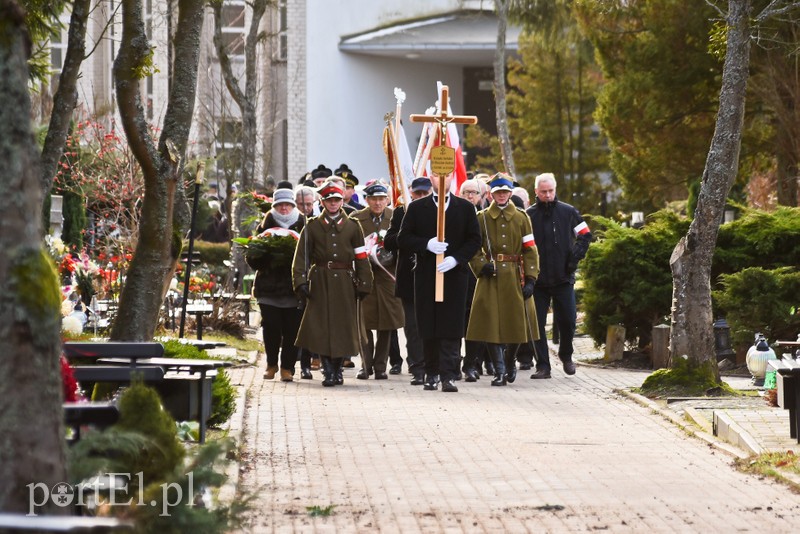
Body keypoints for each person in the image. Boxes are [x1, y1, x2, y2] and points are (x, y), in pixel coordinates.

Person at [398, 173, 481, 393]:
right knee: (429, 325)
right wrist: (426, 244)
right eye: (436, 174)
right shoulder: (417, 208)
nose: (441, 178)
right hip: (426, 274)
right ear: (430, 178)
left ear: (452, 177)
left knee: (451, 326)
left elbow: (474, 239)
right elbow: (403, 238)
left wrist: (457, 259)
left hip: (454, 276)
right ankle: (431, 373)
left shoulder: (464, 208)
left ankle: (449, 375)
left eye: (445, 174)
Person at [292, 181, 373, 387]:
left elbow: (361, 257)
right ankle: (328, 370)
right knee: (322, 326)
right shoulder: (312, 227)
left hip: (345, 280)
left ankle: (338, 369)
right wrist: (300, 281)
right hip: (319, 279)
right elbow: (301, 257)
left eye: (337, 200)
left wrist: (365, 281)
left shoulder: (353, 227)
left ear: (341, 200)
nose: (334, 204)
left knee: (343, 326)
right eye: (329, 200)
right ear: (323, 201)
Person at [466, 173, 539, 386]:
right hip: (490, 276)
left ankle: (509, 362)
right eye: (497, 192)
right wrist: (480, 265)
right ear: (491, 193)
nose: (501, 195)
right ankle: (498, 371)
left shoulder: (522, 217)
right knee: (491, 324)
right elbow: (473, 247)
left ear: (510, 193)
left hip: (517, 276)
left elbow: (530, 249)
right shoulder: (482, 218)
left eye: (505, 191)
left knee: (517, 324)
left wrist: (532, 278)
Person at [526, 172, 592, 378]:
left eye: (551, 191)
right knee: (536, 324)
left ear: (555, 190)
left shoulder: (568, 212)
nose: (547, 195)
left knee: (568, 321)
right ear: (536, 191)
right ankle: (543, 365)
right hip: (538, 280)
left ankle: (566, 355)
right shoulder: (528, 215)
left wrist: (574, 259)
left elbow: (585, 235)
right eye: (543, 191)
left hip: (563, 277)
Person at [246, 187, 305, 382]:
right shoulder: (265, 226)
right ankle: (271, 364)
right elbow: (252, 257)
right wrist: (263, 255)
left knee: (292, 330)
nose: (284, 209)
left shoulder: (302, 224)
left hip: (294, 289)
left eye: (288, 205)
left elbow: (310, 254)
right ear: (274, 207)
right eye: (280, 205)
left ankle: (287, 367)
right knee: (270, 327)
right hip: (268, 288)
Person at [352, 180, 404, 380]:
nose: (378, 203)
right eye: (373, 199)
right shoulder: (356, 219)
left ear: (388, 199)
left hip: (388, 277)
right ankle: (365, 365)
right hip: (365, 277)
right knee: (364, 324)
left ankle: (381, 366)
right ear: (367, 200)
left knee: (386, 325)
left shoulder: (396, 217)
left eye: (381, 199)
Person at [384, 177, 432, 384]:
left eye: (424, 193)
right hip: (409, 277)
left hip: (434, 277)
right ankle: (417, 367)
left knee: (434, 325)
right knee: (413, 326)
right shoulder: (401, 212)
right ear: (410, 192)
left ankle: (436, 366)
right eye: (417, 193)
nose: (420, 197)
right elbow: (390, 241)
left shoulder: (438, 212)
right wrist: (407, 234)